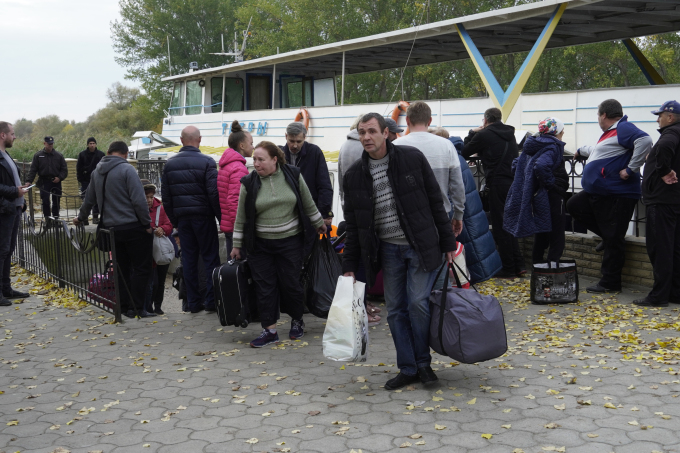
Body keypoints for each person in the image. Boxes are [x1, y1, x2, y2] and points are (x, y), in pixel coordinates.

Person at [342, 113, 458, 390]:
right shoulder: (354, 175)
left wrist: (448, 244)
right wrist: (349, 264)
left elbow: (435, 202)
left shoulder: (412, 158)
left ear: (386, 133)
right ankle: (408, 368)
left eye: (371, 131)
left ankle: (423, 364)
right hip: (388, 250)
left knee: (417, 303)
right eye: (362, 132)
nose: (366, 137)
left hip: (419, 246)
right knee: (395, 310)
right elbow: (355, 225)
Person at [230, 141, 326, 348]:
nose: (255, 163)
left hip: (290, 242)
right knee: (265, 287)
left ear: (275, 159)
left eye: (260, 159)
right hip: (260, 246)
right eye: (254, 159)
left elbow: (308, 201)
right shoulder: (248, 183)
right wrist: (237, 245)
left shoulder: (292, 174)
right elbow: (241, 217)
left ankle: (297, 320)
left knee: (291, 284)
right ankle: (269, 330)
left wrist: (319, 223)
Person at [567, 99, 652, 293]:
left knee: (614, 238)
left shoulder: (624, 128)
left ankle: (610, 283)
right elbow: (600, 152)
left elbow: (645, 140)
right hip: (603, 192)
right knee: (574, 205)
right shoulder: (611, 133)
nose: (598, 118)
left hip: (617, 193)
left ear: (603, 115)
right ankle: (606, 236)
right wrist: (581, 150)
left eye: (598, 115)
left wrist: (631, 169)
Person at [74, 142, 156, 318]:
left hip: (111, 230)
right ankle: (137, 308)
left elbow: (89, 199)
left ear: (109, 152)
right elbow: (138, 201)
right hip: (133, 227)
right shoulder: (128, 170)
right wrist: (147, 224)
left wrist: (81, 218)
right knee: (141, 269)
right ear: (126, 154)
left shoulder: (97, 172)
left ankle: (124, 307)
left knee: (121, 270)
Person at [161, 126, 221, 314]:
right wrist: (219, 217)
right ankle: (211, 301)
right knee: (211, 258)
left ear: (181, 140)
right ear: (200, 140)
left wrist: (175, 221)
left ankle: (193, 302)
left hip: (183, 219)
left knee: (189, 260)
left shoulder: (169, 165)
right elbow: (213, 193)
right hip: (204, 217)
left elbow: (166, 197)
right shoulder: (207, 162)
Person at [462, 107, 525, 278]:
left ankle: (509, 267)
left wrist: (471, 132)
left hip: (497, 182)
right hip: (511, 181)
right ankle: (519, 264)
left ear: (485, 120)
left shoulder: (484, 134)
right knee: (509, 223)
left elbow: (464, 151)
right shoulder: (509, 133)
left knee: (500, 225)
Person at [504, 118, 569, 264]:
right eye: (562, 130)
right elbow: (541, 165)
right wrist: (551, 183)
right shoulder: (552, 146)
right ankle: (553, 265)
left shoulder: (533, 145)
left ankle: (537, 264)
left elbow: (516, 165)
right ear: (556, 131)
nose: (563, 132)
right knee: (557, 231)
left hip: (537, 193)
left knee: (543, 228)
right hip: (551, 193)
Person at [634, 101, 680, 307]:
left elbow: (664, 148)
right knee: (674, 248)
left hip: (661, 201)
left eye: (660, 115)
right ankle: (674, 292)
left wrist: (662, 171)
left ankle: (658, 296)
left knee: (659, 248)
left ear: (670, 117)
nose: (657, 119)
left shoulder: (670, 134)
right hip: (673, 200)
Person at [447, 135, 502, 283]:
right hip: (471, 209)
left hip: (463, 212)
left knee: (473, 247)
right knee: (477, 244)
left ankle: (475, 276)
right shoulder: (457, 156)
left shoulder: (449, 159)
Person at [281, 122, 334, 230]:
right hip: (285, 215)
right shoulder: (279, 153)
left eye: (299, 141)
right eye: (291, 141)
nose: (295, 145)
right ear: (286, 136)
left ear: (305, 137)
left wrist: (323, 214)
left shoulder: (315, 152)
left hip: (309, 214)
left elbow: (324, 185)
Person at [0, 122, 30, 307]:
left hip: (14, 209)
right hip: (4, 210)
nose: (14, 136)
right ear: (2, 135)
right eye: (12, 133)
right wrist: (14, 192)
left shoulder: (6, 155)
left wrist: (21, 192)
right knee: (1, 251)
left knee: (8, 250)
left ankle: (6, 289)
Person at [218, 120, 252, 255]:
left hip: (228, 226)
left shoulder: (227, 165)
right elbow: (235, 201)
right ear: (242, 145)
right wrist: (240, 229)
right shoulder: (239, 168)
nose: (253, 147)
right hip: (235, 230)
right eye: (251, 143)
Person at [142, 179, 173, 315]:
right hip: (148, 250)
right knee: (151, 282)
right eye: (146, 197)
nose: (149, 200)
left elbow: (169, 224)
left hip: (160, 249)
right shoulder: (137, 208)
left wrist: (163, 229)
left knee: (160, 281)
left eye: (151, 196)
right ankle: (148, 306)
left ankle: (158, 307)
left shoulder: (160, 207)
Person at [25, 136, 68, 224]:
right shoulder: (38, 156)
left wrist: (59, 177)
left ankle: (56, 220)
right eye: (49, 144)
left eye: (52, 144)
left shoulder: (58, 156)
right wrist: (28, 181)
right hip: (44, 181)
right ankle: (48, 220)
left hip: (56, 181)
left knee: (56, 201)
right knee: (45, 201)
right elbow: (33, 170)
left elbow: (64, 170)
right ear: (44, 143)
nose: (50, 146)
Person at [76, 137, 105, 225]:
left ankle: (95, 217)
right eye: (90, 143)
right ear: (87, 144)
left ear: (96, 144)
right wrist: (80, 179)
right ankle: (84, 218)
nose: (92, 145)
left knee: (97, 198)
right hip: (86, 180)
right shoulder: (82, 154)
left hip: (98, 179)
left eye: (93, 143)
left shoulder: (100, 154)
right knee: (86, 199)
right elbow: (79, 168)